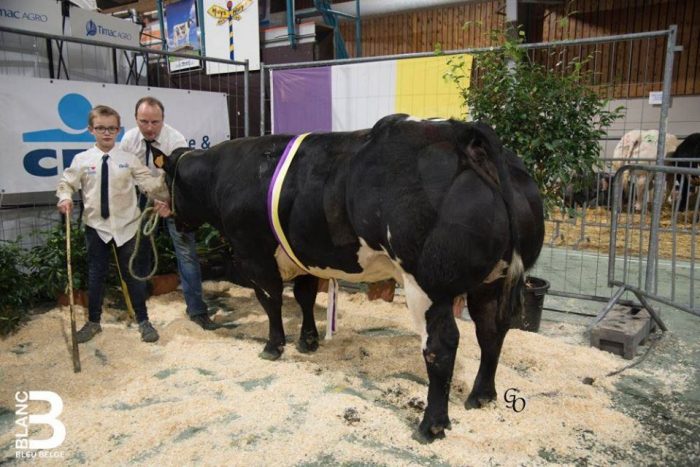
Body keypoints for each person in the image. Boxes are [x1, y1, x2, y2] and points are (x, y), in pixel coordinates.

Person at [56, 105, 171, 344]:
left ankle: (143, 321)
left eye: (111, 128)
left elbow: (149, 184)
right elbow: (67, 183)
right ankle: (94, 322)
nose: (106, 133)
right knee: (96, 275)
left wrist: (164, 194)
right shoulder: (82, 160)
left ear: (118, 130)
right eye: (100, 128)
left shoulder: (128, 160)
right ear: (91, 130)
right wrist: (65, 198)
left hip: (127, 226)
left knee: (134, 275)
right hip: (96, 227)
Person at [120, 96, 220, 330]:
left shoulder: (175, 140)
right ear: (136, 119)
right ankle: (141, 303)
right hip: (140, 198)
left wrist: (170, 204)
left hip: (171, 198)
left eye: (155, 122)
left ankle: (196, 310)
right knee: (138, 249)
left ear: (163, 119)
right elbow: (124, 176)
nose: (149, 127)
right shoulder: (128, 140)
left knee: (186, 253)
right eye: (144, 121)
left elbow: (182, 179)